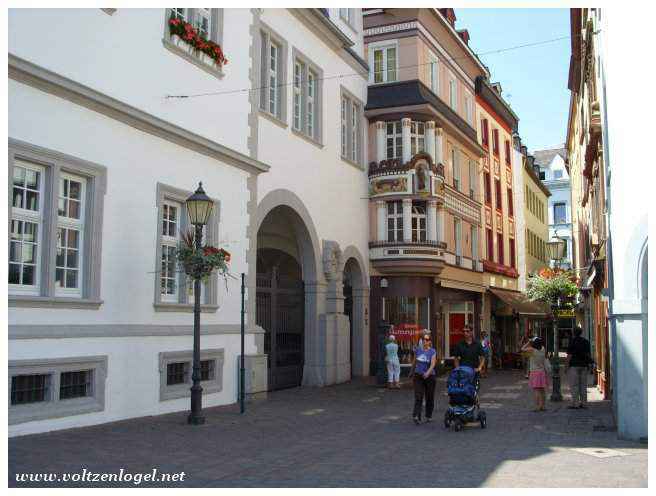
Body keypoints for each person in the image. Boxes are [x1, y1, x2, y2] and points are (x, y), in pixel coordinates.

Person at [409, 332, 437, 424]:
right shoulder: (418, 350)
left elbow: (433, 364)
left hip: (430, 377)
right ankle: (416, 415)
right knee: (418, 396)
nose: (425, 341)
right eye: (423, 339)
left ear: (430, 342)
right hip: (418, 376)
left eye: (427, 339)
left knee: (429, 396)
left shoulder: (432, 351)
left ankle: (428, 415)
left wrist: (428, 373)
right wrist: (411, 372)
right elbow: (414, 362)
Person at [566, 326, 592, 409]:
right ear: (581, 332)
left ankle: (575, 403)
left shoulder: (572, 341)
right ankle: (584, 403)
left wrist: (566, 366)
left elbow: (569, 355)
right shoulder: (586, 342)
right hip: (584, 365)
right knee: (583, 385)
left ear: (574, 333)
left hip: (574, 365)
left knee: (574, 385)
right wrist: (589, 365)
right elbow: (588, 354)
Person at [522, 336, 548, 412]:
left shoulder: (532, 350)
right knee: (542, 390)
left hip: (534, 372)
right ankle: (543, 406)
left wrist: (528, 342)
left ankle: (537, 407)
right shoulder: (543, 349)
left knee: (536, 390)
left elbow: (522, 349)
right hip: (542, 372)